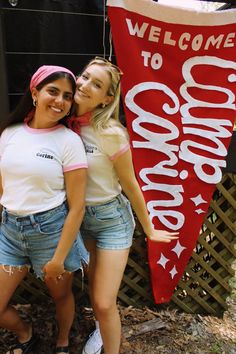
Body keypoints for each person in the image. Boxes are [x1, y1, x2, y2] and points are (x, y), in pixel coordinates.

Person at [67, 57, 179, 354]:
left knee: (104, 301)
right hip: (79, 219)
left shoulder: (112, 133)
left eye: (97, 84)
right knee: (95, 293)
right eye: (85, 76)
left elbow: (130, 185)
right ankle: (103, 332)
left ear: (107, 98)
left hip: (111, 219)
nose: (85, 84)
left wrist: (150, 229)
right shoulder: (60, 122)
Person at [0, 65, 88, 354]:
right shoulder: (9, 134)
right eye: (53, 91)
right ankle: (27, 335)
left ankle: (63, 341)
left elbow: (77, 207)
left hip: (51, 233)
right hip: (9, 231)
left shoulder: (68, 141)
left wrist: (59, 257)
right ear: (35, 93)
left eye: (67, 95)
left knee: (61, 296)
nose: (60, 101)